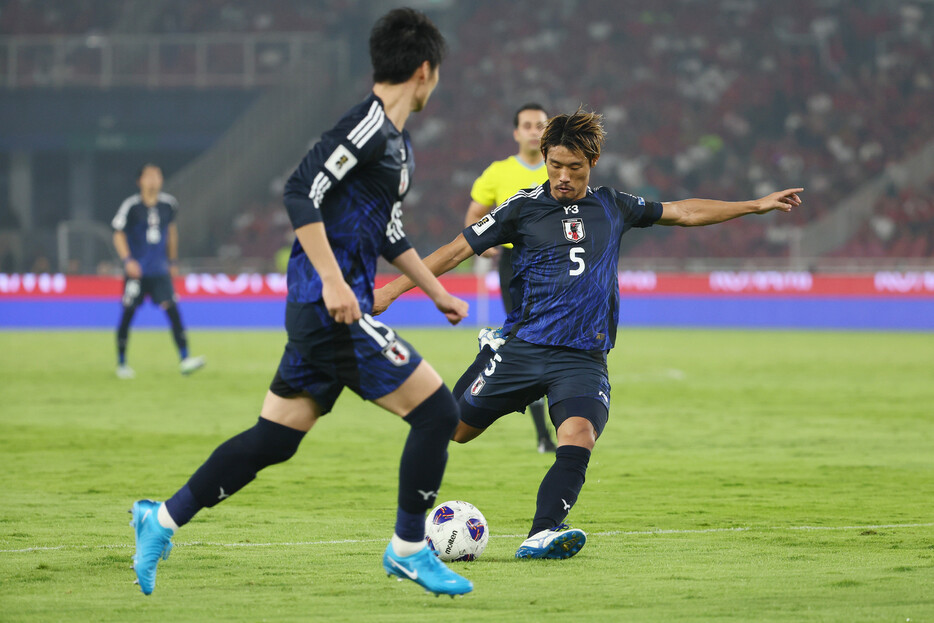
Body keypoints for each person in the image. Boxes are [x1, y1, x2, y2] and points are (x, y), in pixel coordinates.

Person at [129, 8, 473, 598]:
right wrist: (336, 281)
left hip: (326, 309)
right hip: (328, 307)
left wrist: (436, 289)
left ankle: (159, 520)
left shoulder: (397, 147)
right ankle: (410, 549)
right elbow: (300, 189)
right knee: (439, 412)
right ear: (425, 70)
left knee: (275, 438)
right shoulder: (365, 127)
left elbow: (389, 231)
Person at [374, 108, 803, 560]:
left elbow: (683, 212)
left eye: (573, 168)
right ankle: (490, 349)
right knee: (455, 430)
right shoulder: (520, 208)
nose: (562, 176)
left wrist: (755, 205)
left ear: (591, 163)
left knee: (578, 435)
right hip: (523, 347)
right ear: (544, 158)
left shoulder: (613, 205)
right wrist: (393, 291)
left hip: (582, 357)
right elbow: (457, 249)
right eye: (554, 165)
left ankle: (542, 532)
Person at [465, 103, 556, 453]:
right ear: (516, 133)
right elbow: (475, 215)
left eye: (540, 125)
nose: (534, 131)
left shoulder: (559, 169)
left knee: (555, 338)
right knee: (528, 338)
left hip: (557, 261)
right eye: (527, 125)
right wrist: (485, 246)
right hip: (516, 262)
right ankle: (543, 435)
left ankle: (553, 428)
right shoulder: (498, 172)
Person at [111, 163, 205, 379]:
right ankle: (122, 363)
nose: (154, 179)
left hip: (159, 270)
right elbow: (118, 233)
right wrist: (127, 261)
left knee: (172, 310)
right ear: (140, 181)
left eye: (158, 175)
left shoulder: (168, 205)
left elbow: (171, 232)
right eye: (149, 176)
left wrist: (172, 261)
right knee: (128, 312)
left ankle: (185, 359)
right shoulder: (131, 206)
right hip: (137, 271)